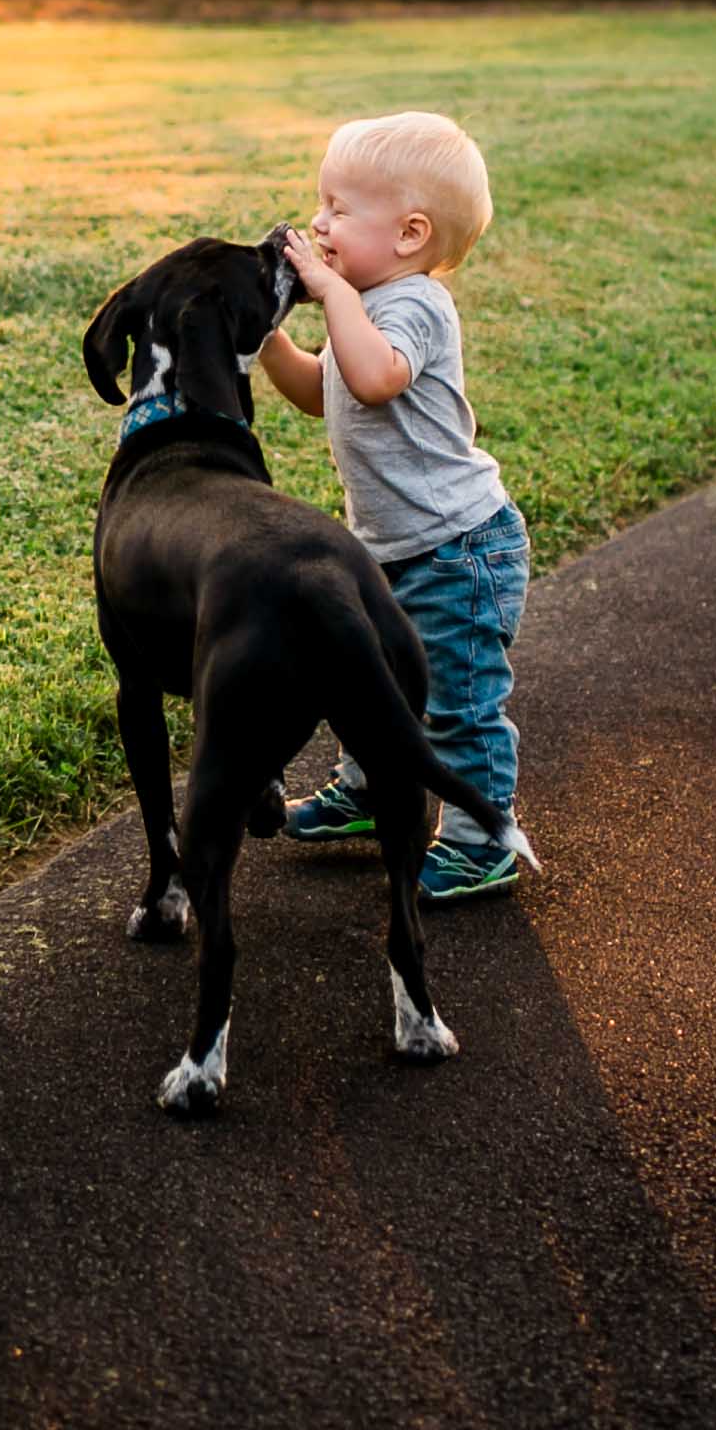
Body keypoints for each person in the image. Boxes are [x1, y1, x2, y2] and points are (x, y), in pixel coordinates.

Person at [259, 109, 531, 902]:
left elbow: (376, 378)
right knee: (365, 677)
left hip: (457, 549)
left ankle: (483, 838)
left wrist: (329, 291)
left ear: (410, 235)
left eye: (340, 208)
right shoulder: (362, 307)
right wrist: (271, 336)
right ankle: (373, 791)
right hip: (387, 546)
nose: (318, 221)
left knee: (456, 702)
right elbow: (321, 391)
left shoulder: (411, 304)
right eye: (320, 202)